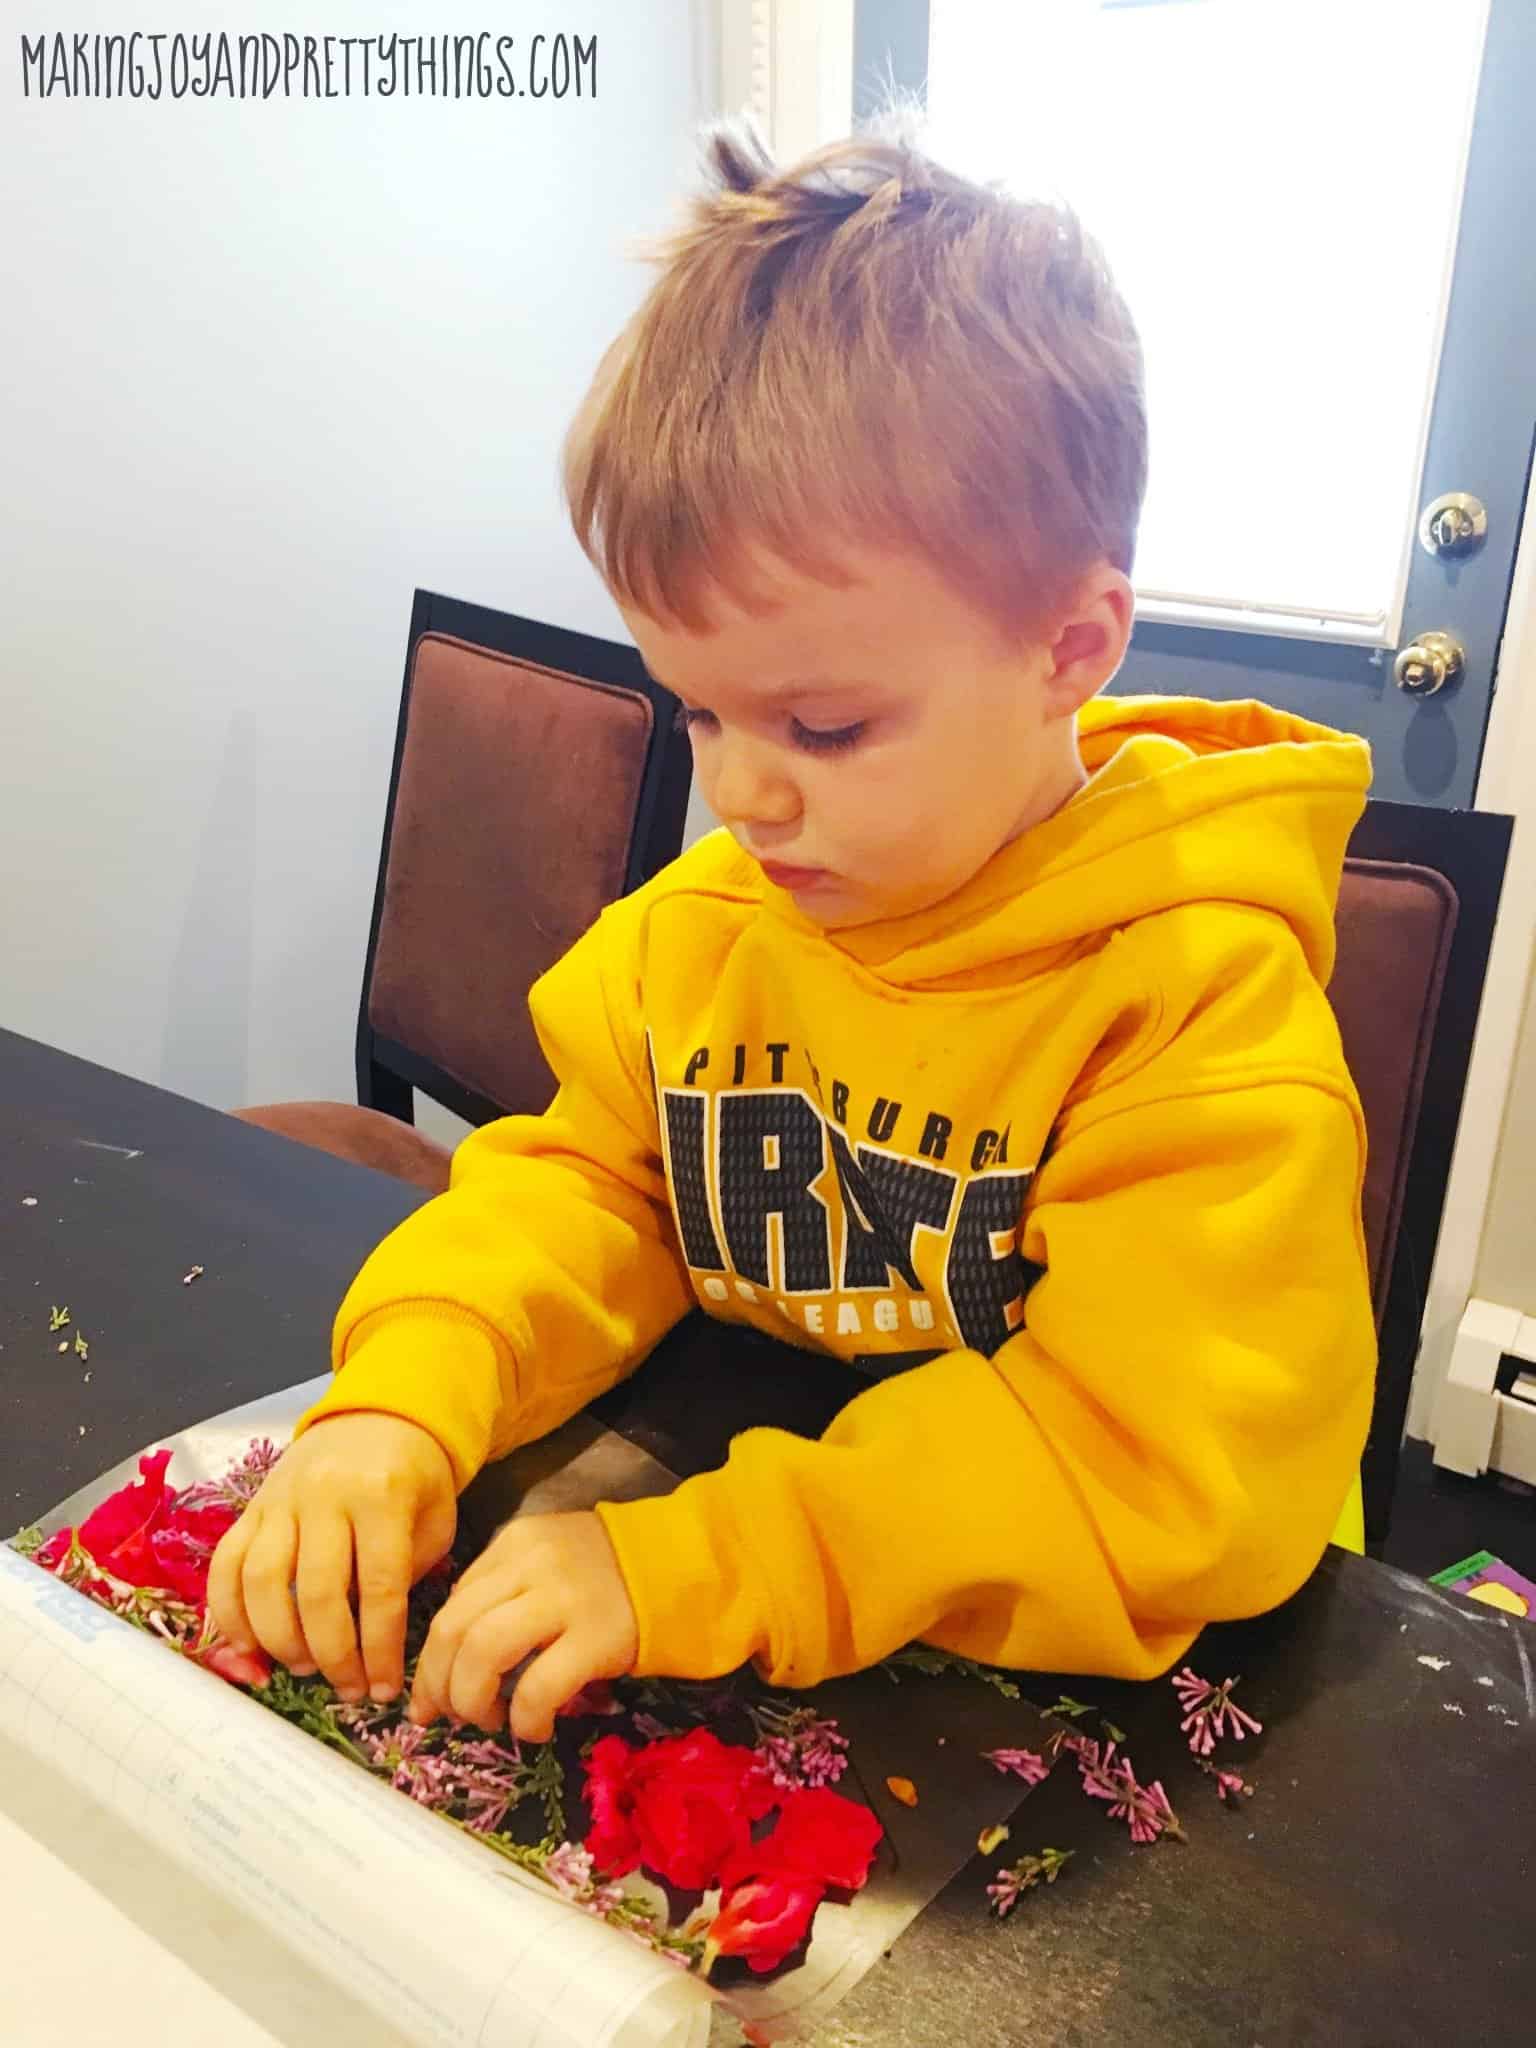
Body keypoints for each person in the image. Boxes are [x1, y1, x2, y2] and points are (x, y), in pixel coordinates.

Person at [209, 116, 1375, 1744]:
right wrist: (405, 1398)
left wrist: (707, 1562)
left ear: (1070, 646)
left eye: (824, 730)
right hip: (794, 1535)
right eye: (697, 713)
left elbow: (1159, 1470)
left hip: (1132, 1675)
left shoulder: (1191, 1005)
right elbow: (585, 1185)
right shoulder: (708, 933)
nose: (743, 800)